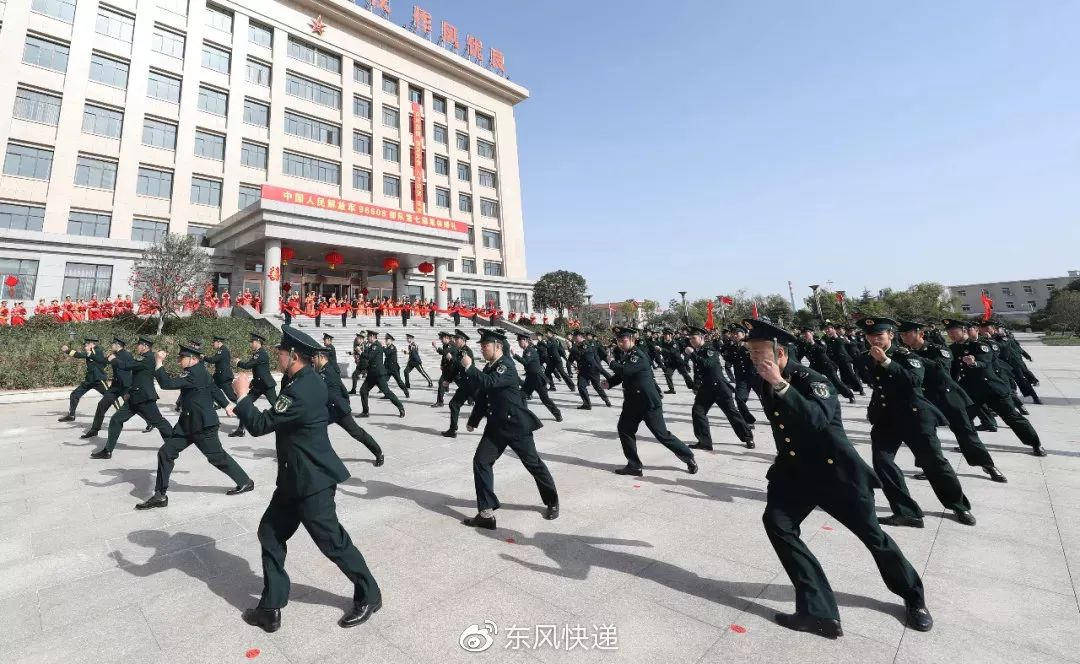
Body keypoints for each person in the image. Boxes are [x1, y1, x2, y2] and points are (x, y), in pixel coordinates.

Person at [743, 318, 932, 638]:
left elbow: (817, 419)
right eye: (751, 352)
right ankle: (819, 613)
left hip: (837, 475)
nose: (754, 358)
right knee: (778, 524)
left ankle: (914, 597)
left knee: (874, 538)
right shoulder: (765, 379)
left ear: (781, 353)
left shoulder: (813, 381)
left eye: (759, 352)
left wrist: (781, 385)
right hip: (796, 473)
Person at [231, 325, 382, 632]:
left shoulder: (301, 389)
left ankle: (370, 595)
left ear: (294, 355)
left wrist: (242, 395)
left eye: (281, 352)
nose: (277, 356)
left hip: (312, 481)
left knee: (333, 543)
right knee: (270, 534)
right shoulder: (304, 380)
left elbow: (260, 425)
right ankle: (270, 607)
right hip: (293, 478)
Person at [855, 318, 975, 527]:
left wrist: (886, 361)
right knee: (882, 462)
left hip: (915, 416)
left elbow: (914, 381)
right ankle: (906, 512)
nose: (875, 340)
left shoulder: (906, 356)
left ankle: (959, 506)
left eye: (879, 335)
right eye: (870, 336)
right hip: (886, 417)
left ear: (890, 335)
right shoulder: (864, 358)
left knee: (934, 463)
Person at [135, 343, 254, 509]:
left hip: (203, 426)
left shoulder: (193, 374)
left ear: (192, 359)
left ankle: (245, 481)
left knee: (217, 457)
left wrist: (159, 362)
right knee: (166, 453)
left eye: (181, 358)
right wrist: (226, 404)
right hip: (187, 425)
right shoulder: (200, 371)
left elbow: (167, 384)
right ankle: (160, 496)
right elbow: (213, 387)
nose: (179, 360)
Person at [461, 328, 560, 529]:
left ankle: (552, 501)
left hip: (516, 426)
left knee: (533, 464)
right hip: (495, 427)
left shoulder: (506, 365)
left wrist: (470, 368)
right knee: (481, 462)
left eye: (485, 345)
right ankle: (486, 513)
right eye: (481, 345)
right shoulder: (490, 367)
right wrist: (474, 420)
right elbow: (483, 397)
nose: (482, 349)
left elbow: (490, 383)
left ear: (497, 346)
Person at [898, 320, 1006, 483]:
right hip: (923, 399)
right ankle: (932, 467)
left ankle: (988, 465)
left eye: (907, 333)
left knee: (965, 432)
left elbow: (940, 368)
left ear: (921, 334)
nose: (903, 337)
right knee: (926, 436)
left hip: (947, 396)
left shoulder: (939, 349)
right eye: (901, 334)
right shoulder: (902, 353)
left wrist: (912, 357)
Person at [602, 327, 697, 477]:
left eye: (623, 340)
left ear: (632, 339)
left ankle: (687, 456)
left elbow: (625, 370)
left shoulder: (638, 355)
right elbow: (623, 375)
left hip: (648, 403)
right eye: (618, 340)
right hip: (632, 403)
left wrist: (611, 361)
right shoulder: (627, 355)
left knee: (662, 435)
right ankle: (634, 466)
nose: (620, 343)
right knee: (624, 429)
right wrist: (609, 383)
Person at [944, 318, 1045, 456]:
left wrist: (974, 363)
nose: (951, 335)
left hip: (992, 389)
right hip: (971, 391)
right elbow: (953, 371)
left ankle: (1035, 444)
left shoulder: (980, 345)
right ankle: (969, 445)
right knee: (962, 421)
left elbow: (984, 361)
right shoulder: (953, 349)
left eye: (953, 331)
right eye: (948, 332)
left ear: (964, 330)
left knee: (1012, 418)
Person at [91, 336, 174, 460]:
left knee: (159, 422)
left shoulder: (147, 358)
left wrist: (114, 359)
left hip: (144, 398)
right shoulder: (146, 357)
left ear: (145, 346)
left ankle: (174, 445)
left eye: (139, 345)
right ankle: (107, 451)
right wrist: (129, 391)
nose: (137, 347)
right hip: (134, 397)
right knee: (115, 420)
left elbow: (126, 366)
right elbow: (137, 378)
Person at [684, 326, 756, 450]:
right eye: (690, 339)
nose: (691, 341)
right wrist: (696, 386)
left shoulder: (710, 349)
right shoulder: (698, 351)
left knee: (732, 414)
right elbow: (698, 371)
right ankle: (705, 442)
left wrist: (692, 354)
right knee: (697, 412)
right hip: (706, 388)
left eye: (694, 338)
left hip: (719, 388)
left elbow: (707, 364)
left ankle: (748, 438)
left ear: (702, 337)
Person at [314, 346, 384, 467]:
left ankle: (378, 452)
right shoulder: (321, 370)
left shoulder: (329, 370)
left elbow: (336, 388)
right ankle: (317, 458)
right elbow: (340, 387)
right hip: (328, 410)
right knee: (314, 430)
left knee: (357, 433)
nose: (313, 359)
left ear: (321, 357)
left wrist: (345, 403)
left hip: (339, 410)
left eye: (315, 357)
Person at [231, 332, 278, 438]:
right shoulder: (257, 353)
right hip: (258, 385)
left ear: (257, 342)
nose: (251, 344)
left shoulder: (261, 354)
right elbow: (258, 370)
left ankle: (291, 424)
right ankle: (240, 430)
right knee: (244, 403)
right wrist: (253, 381)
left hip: (266, 385)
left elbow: (248, 365)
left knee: (277, 406)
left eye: (252, 342)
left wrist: (239, 362)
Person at [513, 332, 562, 422]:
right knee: (521, 395)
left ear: (525, 340)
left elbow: (526, 362)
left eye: (520, 341)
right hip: (530, 378)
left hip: (538, 379)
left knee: (544, 398)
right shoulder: (527, 350)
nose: (519, 343)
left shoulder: (530, 351)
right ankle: (523, 415)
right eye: (518, 341)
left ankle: (557, 413)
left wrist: (515, 355)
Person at [357, 330, 406, 418]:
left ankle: (400, 407)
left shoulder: (376, 345)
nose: (367, 338)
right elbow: (367, 355)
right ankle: (365, 412)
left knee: (387, 392)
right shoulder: (371, 346)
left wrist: (360, 352)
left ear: (372, 336)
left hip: (379, 374)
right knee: (363, 391)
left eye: (368, 337)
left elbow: (369, 357)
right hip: (371, 374)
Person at [58, 337, 108, 422]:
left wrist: (68, 350)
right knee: (74, 395)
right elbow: (82, 355)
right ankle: (71, 415)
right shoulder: (90, 352)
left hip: (98, 380)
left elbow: (79, 355)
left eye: (86, 345)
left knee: (110, 396)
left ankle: (123, 411)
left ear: (91, 344)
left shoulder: (97, 351)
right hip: (89, 380)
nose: (84, 347)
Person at [442, 329, 477, 437]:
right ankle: (452, 429)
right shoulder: (460, 351)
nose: (455, 340)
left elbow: (462, 365)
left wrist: (452, 358)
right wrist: (448, 380)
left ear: (463, 340)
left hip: (470, 383)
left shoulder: (466, 352)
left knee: (485, 405)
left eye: (457, 338)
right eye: (455, 338)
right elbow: (456, 369)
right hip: (466, 384)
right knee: (454, 404)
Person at [570, 330, 611, 410]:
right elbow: (573, 358)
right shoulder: (577, 345)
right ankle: (587, 404)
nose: (574, 338)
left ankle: (606, 399)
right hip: (583, 370)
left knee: (596, 386)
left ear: (580, 336)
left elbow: (585, 356)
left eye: (575, 336)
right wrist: (575, 365)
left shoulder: (586, 344)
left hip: (592, 369)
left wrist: (573, 349)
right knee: (581, 386)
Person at [656, 328, 694, 394]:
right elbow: (664, 352)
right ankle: (671, 389)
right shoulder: (664, 343)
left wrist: (661, 349)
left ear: (670, 335)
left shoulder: (674, 343)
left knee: (685, 374)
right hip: (671, 363)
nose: (665, 336)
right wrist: (659, 351)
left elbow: (671, 352)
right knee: (667, 374)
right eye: (664, 334)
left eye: (666, 335)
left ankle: (694, 387)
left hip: (678, 361)